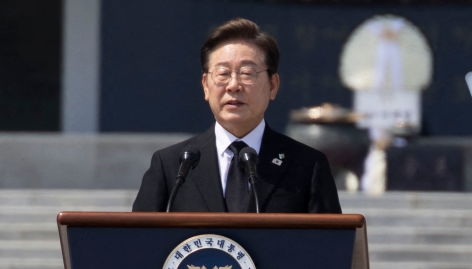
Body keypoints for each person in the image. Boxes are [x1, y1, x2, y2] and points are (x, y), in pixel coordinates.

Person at [132, 18, 341, 214]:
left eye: (247, 74)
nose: (234, 85)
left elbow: (330, 247)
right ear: (206, 86)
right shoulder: (173, 165)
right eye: (223, 74)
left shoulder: (307, 165)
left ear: (273, 85)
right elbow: (138, 244)